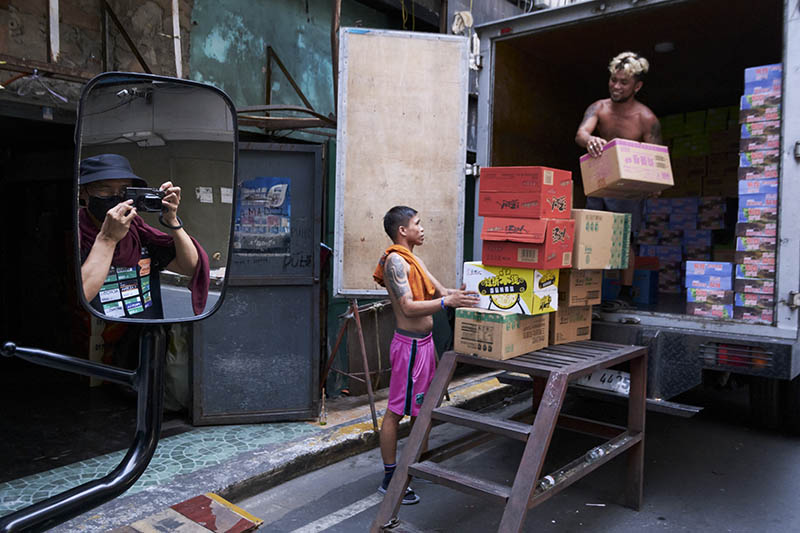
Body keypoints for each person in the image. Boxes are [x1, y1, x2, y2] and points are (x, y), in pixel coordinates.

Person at [372, 206, 480, 505]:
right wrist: (447, 301)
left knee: (424, 410)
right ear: (402, 230)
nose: (422, 228)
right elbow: (407, 307)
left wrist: (465, 296)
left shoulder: (414, 260)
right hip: (409, 347)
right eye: (417, 224)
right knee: (396, 411)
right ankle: (390, 477)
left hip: (425, 344)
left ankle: (411, 468)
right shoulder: (396, 261)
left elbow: (440, 291)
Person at [575, 51, 663, 301]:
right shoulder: (599, 107)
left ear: (637, 86)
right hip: (600, 184)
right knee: (590, 238)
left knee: (626, 240)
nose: (616, 86)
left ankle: (625, 292)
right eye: (614, 80)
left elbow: (656, 158)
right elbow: (581, 133)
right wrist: (590, 139)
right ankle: (588, 292)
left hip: (627, 191)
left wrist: (655, 184)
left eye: (624, 82)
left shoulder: (646, 119)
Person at [79, 153, 209, 319]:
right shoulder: (75, 233)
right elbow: (81, 296)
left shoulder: (139, 232)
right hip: (98, 336)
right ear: (83, 192)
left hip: (145, 332)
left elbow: (190, 266)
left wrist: (172, 220)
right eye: (104, 189)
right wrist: (108, 239)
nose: (115, 196)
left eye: (124, 191)